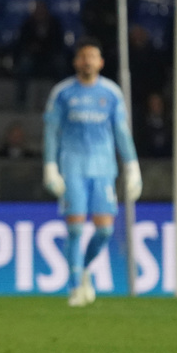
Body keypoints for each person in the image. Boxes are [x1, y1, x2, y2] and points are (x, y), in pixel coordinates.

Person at [43, 39, 142, 307]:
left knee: (105, 231)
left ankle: (84, 269)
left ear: (101, 62)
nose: (88, 61)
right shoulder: (63, 92)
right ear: (76, 61)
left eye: (93, 57)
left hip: (104, 169)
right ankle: (75, 287)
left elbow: (121, 132)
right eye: (83, 56)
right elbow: (51, 131)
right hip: (72, 167)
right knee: (75, 228)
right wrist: (50, 167)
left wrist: (132, 167)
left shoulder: (111, 93)